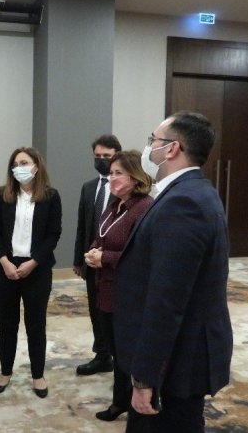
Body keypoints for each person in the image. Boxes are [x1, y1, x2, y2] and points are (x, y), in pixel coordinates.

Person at [114, 111, 233, 432]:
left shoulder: (183, 203)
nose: (148, 147)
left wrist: (145, 377)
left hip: (177, 361)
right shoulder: (191, 191)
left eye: (153, 139)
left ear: (172, 149)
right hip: (179, 355)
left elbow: (166, 300)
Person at [84, 150, 153, 422]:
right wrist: (93, 251)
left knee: (129, 353)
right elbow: (101, 235)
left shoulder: (144, 208)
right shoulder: (115, 205)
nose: (112, 178)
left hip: (128, 294)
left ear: (135, 176)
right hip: (106, 290)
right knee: (116, 352)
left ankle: (135, 403)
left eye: (118, 173)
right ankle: (120, 400)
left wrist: (105, 258)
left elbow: (141, 254)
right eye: (111, 173)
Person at [0, 147, 62, 399]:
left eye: (24, 162)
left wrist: (33, 262)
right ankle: (5, 372)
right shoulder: (2, 195)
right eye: (15, 164)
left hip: (37, 269)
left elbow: (53, 234)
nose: (19, 167)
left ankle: (38, 375)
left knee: (36, 323)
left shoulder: (51, 196)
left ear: (36, 166)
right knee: (7, 322)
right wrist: (4, 261)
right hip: (5, 267)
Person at [73, 134, 122, 375]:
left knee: (114, 311)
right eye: (98, 156)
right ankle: (102, 355)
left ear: (117, 156)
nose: (101, 160)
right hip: (91, 261)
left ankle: (120, 358)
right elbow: (82, 226)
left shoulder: (124, 188)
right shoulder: (88, 187)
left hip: (114, 262)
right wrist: (78, 260)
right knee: (95, 308)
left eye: (107, 156)